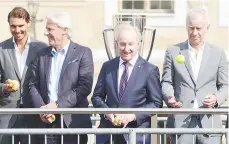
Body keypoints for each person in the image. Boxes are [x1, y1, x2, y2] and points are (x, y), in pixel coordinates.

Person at [161, 7, 228, 144]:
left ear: (207, 28)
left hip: (209, 124)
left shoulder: (218, 53)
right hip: (181, 122)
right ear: (186, 27)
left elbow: (225, 85)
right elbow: (166, 82)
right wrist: (170, 98)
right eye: (191, 28)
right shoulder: (173, 51)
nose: (194, 32)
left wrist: (216, 98)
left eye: (199, 28)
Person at [27, 11, 94, 144]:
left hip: (73, 124)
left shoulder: (83, 53)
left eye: (50, 29)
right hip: (46, 123)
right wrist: (42, 109)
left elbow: (84, 87)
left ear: (64, 30)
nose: (46, 33)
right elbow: (32, 85)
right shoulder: (41, 55)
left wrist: (57, 106)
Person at [91, 23, 163, 144]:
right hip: (108, 135)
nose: (126, 48)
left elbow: (156, 103)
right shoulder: (107, 66)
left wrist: (132, 116)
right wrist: (107, 113)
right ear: (117, 44)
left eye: (131, 44)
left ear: (138, 44)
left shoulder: (150, 70)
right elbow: (97, 97)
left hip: (136, 136)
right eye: (122, 44)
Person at [0, 7, 47, 144]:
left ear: (28, 23)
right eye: (13, 26)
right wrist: (5, 88)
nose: (17, 30)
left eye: (21, 26)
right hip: (6, 117)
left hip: (34, 116)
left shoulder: (42, 48)